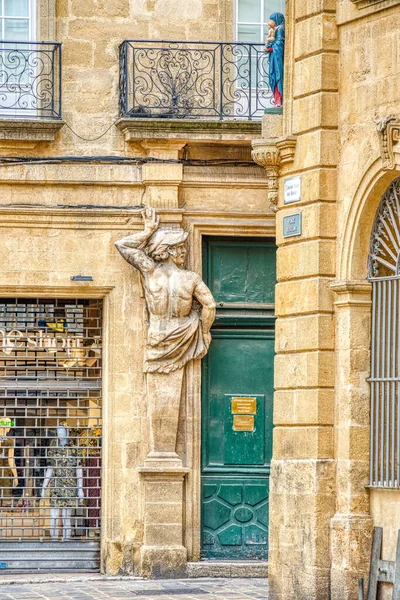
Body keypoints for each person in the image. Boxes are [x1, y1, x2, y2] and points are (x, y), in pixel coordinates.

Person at [115, 208, 216, 463]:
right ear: (169, 250)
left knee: (161, 397)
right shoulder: (190, 278)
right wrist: (203, 332)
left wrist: (147, 231)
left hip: (157, 336)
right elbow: (210, 306)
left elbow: (123, 245)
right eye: (179, 248)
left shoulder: (150, 272)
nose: (183, 252)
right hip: (183, 334)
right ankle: (163, 452)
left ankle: (162, 452)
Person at [265, 12, 285, 108]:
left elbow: (280, 43)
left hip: (277, 57)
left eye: (272, 20)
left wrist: (271, 48)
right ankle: (276, 99)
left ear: (276, 20)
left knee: (277, 76)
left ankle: (278, 100)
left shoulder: (280, 29)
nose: (270, 22)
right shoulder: (275, 30)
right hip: (273, 57)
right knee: (273, 76)